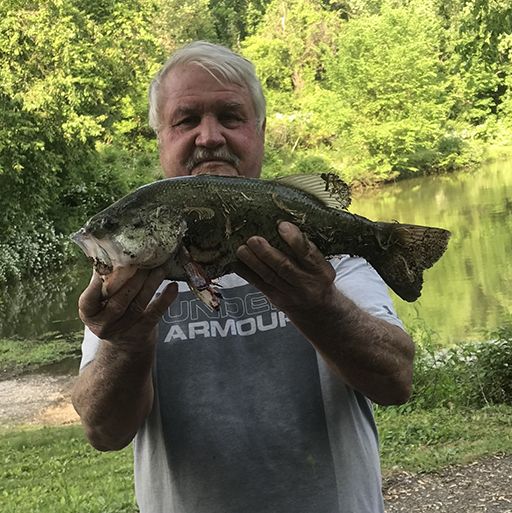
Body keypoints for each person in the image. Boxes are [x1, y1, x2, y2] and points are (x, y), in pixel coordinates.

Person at [72, 41, 415, 513]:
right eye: (186, 119)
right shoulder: (129, 280)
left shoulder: (318, 248)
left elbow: (396, 380)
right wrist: (125, 344)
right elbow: (104, 431)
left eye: (231, 116)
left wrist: (320, 306)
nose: (209, 137)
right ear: (160, 137)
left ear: (260, 131)